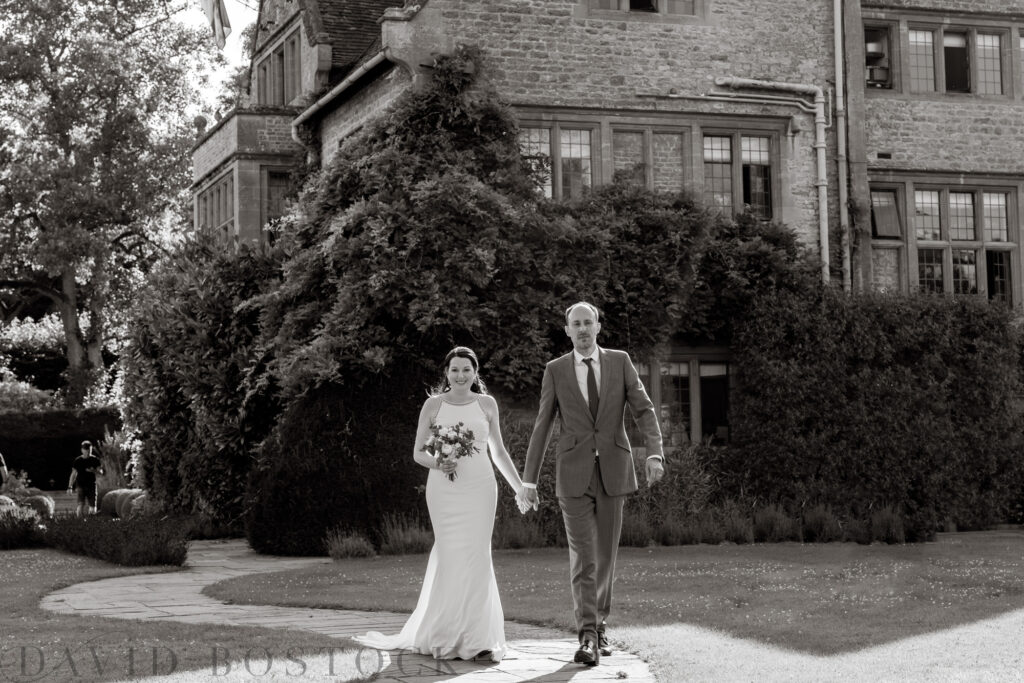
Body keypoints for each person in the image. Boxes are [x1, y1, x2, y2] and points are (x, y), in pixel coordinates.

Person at [356, 346, 525, 662]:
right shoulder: (433, 405)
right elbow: (418, 452)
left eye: (466, 369)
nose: (461, 375)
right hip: (445, 491)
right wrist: (439, 463)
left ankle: (480, 641)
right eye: (455, 369)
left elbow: (498, 452)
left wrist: (520, 488)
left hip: (481, 488)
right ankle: (444, 634)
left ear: (475, 373)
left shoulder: (487, 404)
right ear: (446, 373)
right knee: (449, 556)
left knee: (477, 557)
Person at [519, 302, 664, 666]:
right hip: (573, 475)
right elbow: (543, 425)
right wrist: (529, 480)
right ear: (567, 331)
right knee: (583, 556)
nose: (583, 329)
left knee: (605, 558)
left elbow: (644, 409)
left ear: (598, 327)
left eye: (588, 323)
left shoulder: (620, 361)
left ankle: (599, 626)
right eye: (576, 324)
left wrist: (654, 453)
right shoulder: (555, 370)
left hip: (614, 470)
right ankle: (586, 635)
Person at [67, 441, 103, 516]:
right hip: (80, 485)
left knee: (93, 506)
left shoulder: (95, 460)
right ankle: (79, 522)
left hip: (92, 485)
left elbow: (101, 472)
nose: (87, 452)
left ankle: (92, 522)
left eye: (89, 450)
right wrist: (70, 487)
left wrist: (94, 470)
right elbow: (73, 474)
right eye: (86, 450)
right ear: (82, 450)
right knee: (80, 504)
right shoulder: (78, 461)